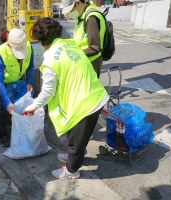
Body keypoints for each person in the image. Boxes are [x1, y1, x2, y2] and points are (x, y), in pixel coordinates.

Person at [22, 18, 109, 179]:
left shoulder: (50, 60)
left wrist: (32, 106)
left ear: (42, 41)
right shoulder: (70, 45)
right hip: (95, 96)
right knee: (77, 136)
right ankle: (72, 157)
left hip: (85, 104)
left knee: (76, 141)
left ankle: (71, 170)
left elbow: (48, 92)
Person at [0, 28, 34, 147]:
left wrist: (29, 82)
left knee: (22, 104)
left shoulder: (29, 47)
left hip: (19, 79)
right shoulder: (0, 54)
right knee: (0, 108)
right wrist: (7, 101)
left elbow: (30, 66)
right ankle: (2, 134)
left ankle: (22, 130)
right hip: (3, 81)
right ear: (9, 45)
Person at [62, 0, 106, 78]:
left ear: (78, 3)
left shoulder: (91, 17)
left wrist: (73, 54)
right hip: (84, 60)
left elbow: (94, 47)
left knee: (88, 89)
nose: (68, 14)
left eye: (70, 10)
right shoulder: (82, 15)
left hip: (91, 62)